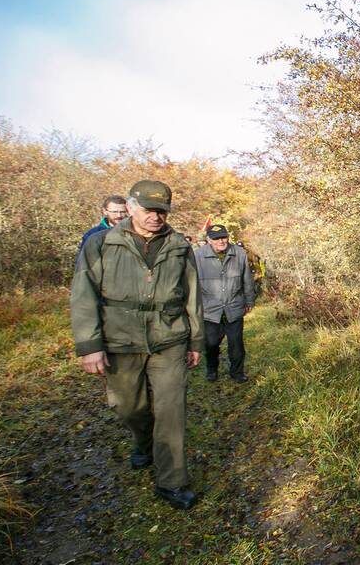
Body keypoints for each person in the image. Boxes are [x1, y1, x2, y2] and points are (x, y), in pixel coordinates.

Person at [70, 180, 204, 509]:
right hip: (120, 339)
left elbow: (193, 294)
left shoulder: (178, 245)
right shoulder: (101, 243)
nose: (155, 217)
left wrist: (196, 340)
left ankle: (171, 481)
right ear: (130, 208)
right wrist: (89, 345)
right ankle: (144, 443)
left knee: (171, 410)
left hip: (169, 338)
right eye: (148, 210)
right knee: (128, 406)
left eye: (162, 211)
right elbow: (83, 295)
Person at [194, 224, 255, 383]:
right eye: (216, 238)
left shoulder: (239, 253)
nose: (221, 241)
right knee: (211, 343)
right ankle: (212, 369)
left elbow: (247, 280)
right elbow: (191, 284)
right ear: (208, 240)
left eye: (223, 237)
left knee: (236, 345)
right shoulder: (197, 256)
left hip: (234, 306)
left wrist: (249, 300)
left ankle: (237, 372)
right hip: (209, 309)